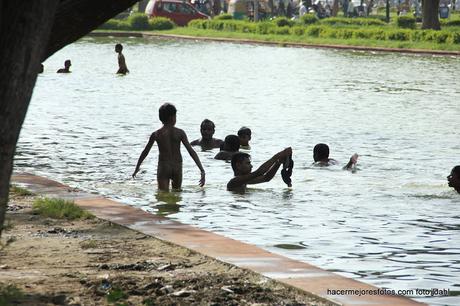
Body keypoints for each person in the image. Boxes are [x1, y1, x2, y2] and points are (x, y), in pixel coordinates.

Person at [132, 103, 205, 191]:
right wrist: (201, 170)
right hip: (177, 166)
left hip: (164, 166)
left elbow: (145, 152)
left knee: (163, 194)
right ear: (172, 117)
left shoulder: (156, 134)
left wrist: (137, 168)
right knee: (177, 193)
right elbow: (191, 151)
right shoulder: (180, 133)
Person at [227, 148, 292, 192]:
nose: (251, 166)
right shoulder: (234, 181)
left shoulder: (244, 181)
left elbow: (266, 178)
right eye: (248, 163)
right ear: (238, 165)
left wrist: (278, 162)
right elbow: (259, 172)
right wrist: (277, 156)